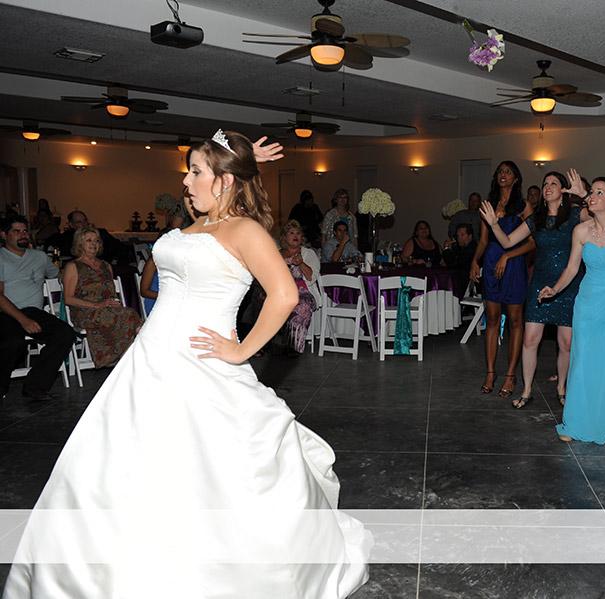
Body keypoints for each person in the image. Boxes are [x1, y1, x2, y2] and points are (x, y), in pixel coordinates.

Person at [2, 130, 370, 598]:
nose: (186, 180)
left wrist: (240, 351)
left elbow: (285, 294)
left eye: (196, 171)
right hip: (146, 361)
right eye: (189, 170)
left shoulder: (245, 230)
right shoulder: (194, 226)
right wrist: (238, 160)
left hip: (199, 363)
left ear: (223, 180)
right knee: (113, 468)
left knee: (200, 472)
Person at [538, 177, 605, 444]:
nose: (592, 196)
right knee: (582, 361)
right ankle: (576, 421)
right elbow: (572, 268)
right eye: (591, 192)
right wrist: (555, 289)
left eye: (600, 192)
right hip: (587, 302)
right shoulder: (581, 231)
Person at [479, 170, 585, 409]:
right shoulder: (535, 219)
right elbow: (507, 242)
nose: (548, 187)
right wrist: (494, 225)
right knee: (530, 339)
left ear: (563, 190)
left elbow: (602, 215)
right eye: (545, 183)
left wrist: (584, 195)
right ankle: (526, 390)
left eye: (554, 183)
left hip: (568, 284)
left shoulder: (576, 215)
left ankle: (562, 387)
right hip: (539, 283)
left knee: (566, 343)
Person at [469, 161, 535, 398]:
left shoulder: (524, 205)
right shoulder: (488, 205)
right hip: (490, 262)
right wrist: (474, 261)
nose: (503, 174)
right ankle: (490, 372)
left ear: (516, 178)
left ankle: (510, 374)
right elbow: (483, 241)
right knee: (492, 318)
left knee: (516, 320)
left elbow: (533, 242)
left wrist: (508, 256)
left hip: (514, 263)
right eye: (500, 171)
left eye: (508, 171)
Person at [0, 216, 76, 401]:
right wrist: (23, 320)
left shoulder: (39, 257)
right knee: (13, 343)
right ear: (4, 235)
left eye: (25, 231)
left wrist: (80, 268)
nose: (23, 235)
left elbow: (58, 274)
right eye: (16, 231)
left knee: (65, 333)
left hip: (33, 311)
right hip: (6, 312)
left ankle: (35, 385)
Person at [62, 228, 142, 367]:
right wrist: (97, 305)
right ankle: (125, 362)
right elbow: (68, 299)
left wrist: (114, 303)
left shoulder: (106, 266)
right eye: (89, 240)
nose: (94, 244)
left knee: (127, 315)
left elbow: (111, 293)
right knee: (129, 317)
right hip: (84, 311)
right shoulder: (73, 266)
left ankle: (122, 362)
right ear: (80, 244)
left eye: (97, 241)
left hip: (108, 309)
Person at [275, 219, 321, 354]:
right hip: (280, 293)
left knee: (302, 306)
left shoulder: (308, 254)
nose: (295, 236)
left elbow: (312, 278)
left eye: (298, 233)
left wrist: (301, 263)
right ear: (284, 237)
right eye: (291, 233)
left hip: (303, 292)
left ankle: (294, 347)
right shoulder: (277, 254)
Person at [49, 209, 130, 263]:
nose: (84, 224)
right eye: (79, 222)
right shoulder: (66, 238)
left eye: (85, 221)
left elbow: (122, 249)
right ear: (71, 225)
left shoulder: (101, 233)